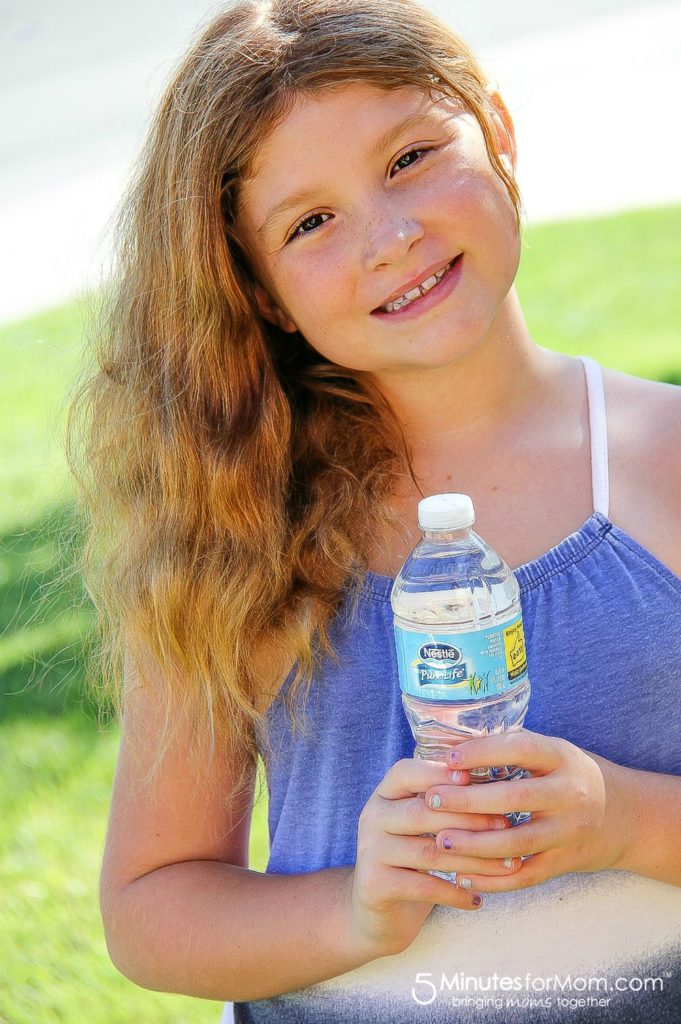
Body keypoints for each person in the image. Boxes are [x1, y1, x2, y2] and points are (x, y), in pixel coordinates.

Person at [66, 1, 681, 1021]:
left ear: (501, 135)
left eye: (409, 158)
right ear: (261, 291)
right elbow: (150, 904)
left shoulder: (667, 459)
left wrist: (625, 821)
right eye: (310, 223)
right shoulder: (231, 532)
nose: (390, 237)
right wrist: (355, 910)